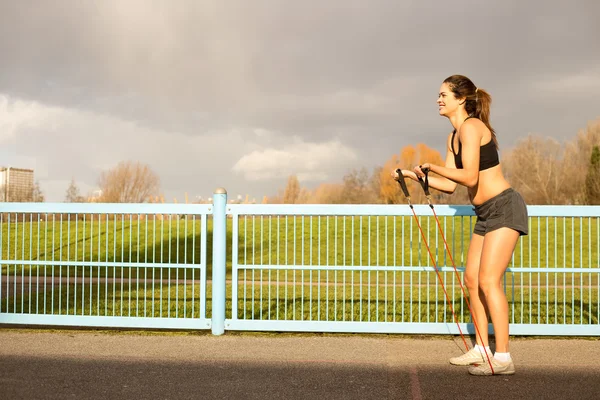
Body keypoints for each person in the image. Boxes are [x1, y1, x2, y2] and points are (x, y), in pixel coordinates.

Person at [393, 74, 528, 376]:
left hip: (505, 207)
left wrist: (433, 166)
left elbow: (469, 177)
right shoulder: (453, 136)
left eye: (444, 95)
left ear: (461, 99)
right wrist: (415, 175)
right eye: (438, 95)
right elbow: (449, 186)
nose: (438, 100)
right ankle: (482, 348)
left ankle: (503, 357)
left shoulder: (472, 127)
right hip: (485, 213)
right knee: (470, 279)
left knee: (489, 281)